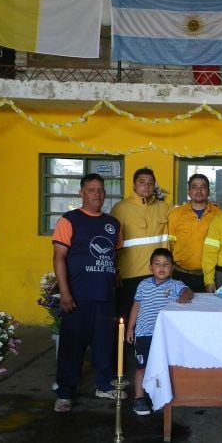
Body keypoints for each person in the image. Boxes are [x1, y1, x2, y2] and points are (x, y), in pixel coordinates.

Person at [52, 173, 122, 413]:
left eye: (101, 190)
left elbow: (115, 256)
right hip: (78, 296)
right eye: (91, 190)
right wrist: (64, 292)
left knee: (105, 345)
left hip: (104, 296)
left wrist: (114, 281)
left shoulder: (113, 224)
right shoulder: (69, 220)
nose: (97, 194)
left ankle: (104, 385)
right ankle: (64, 393)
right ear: (80, 192)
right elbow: (59, 257)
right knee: (72, 347)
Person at [126, 248, 193, 416]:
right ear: (150, 268)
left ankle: (161, 396)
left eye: (166, 264)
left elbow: (188, 291)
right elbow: (136, 306)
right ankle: (139, 398)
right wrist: (129, 328)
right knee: (142, 367)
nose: (161, 268)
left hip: (164, 336)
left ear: (172, 268)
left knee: (164, 366)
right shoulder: (143, 285)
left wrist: (185, 295)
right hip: (144, 334)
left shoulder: (175, 285)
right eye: (157, 264)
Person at [111, 167, 172, 321]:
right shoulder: (121, 208)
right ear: (133, 185)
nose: (146, 186)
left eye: (150, 183)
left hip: (158, 274)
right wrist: (115, 270)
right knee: (127, 317)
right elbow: (112, 243)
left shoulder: (164, 208)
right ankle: (125, 346)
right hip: (130, 275)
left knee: (155, 318)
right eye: (142, 182)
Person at [168, 173, 221, 292]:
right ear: (189, 191)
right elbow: (170, 244)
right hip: (180, 275)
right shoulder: (176, 214)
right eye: (194, 187)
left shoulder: (219, 215)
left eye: (203, 187)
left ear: (208, 191)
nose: (199, 190)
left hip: (210, 276)